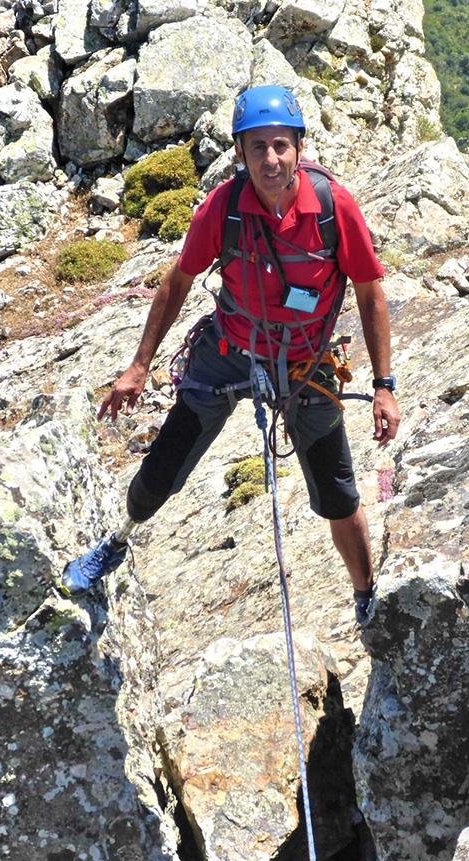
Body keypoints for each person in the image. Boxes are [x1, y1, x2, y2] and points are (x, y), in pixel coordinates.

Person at [60, 84, 400, 625]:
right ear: (240, 153)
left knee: (337, 491)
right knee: (165, 462)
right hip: (230, 349)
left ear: (299, 147)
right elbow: (179, 280)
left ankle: (365, 594)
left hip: (303, 363)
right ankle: (117, 540)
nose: (271, 159)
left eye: (281, 145)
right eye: (257, 147)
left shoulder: (335, 209)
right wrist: (139, 365)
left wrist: (385, 386)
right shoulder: (224, 207)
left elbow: (369, 293)